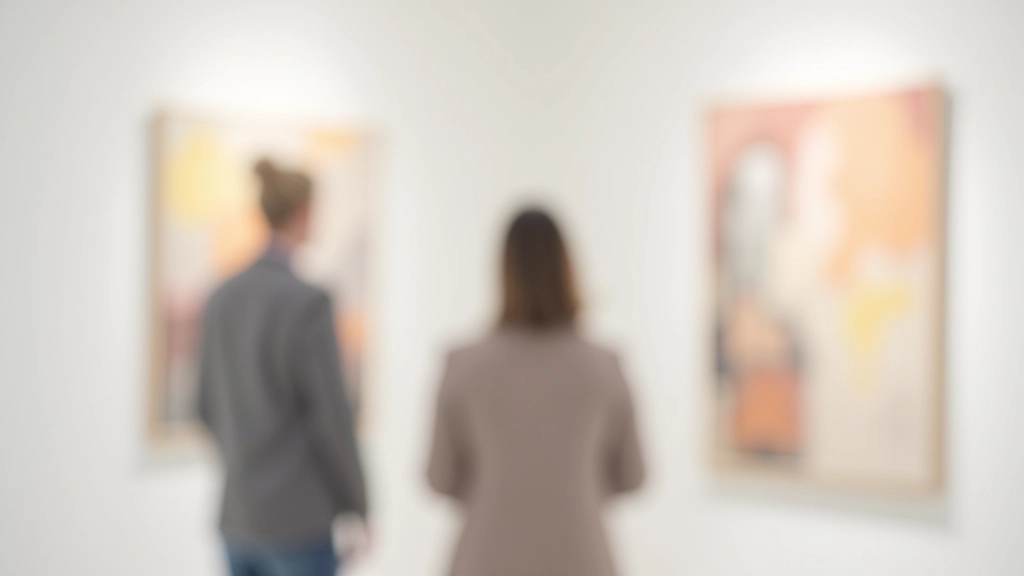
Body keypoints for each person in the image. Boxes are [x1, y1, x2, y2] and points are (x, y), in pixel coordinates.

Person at [427, 208, 646, 576]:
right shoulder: (604, 366)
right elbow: (632, 475)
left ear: (503, 270)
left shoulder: (463, 364)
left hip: (485, 559)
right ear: (567, 267)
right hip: (581, 558)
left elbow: (440, 477)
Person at [198, 159, 368, 576]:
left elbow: (204, 405)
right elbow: (331, 417)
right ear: (303, 213)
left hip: (237, 517)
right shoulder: (309, 302)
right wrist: (358, 502)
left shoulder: (221, 297)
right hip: (299, 522)